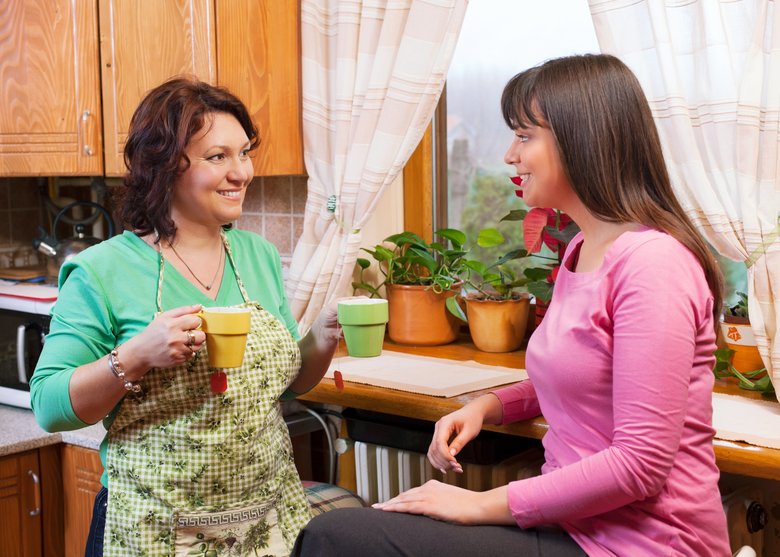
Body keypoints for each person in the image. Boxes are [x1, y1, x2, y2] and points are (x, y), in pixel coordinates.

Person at [292, 54, 732, 556]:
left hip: (641, 544)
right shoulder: (581, 250)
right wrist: (489, 405)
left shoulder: (655, 266)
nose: (509, 154)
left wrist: (476, 504)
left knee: (338, 536)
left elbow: (640, 465)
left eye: (524, 136)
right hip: (575, 527)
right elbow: (584, 375)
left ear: (582, 139)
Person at [30, 77, 340, 557]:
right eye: (218, 157)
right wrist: (134, 357)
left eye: (244, 152)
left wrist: (322, 336)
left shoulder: (256, 254)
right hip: (153, 530)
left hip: (264, 524)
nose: (241, 172)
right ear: (164, 166)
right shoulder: (102, 271)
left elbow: (286, 385)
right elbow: (50, 405)